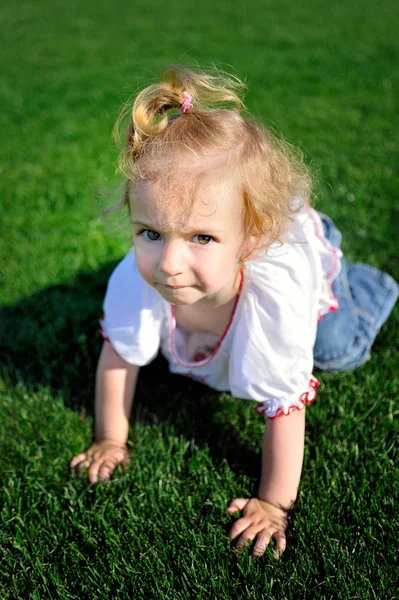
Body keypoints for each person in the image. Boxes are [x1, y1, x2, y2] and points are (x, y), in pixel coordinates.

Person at [70, 65, 398, 561]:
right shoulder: (137, 280)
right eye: (150, 233)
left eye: (201, 237)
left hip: (302, 255)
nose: (169, 265)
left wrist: (272, 503)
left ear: (249, 239)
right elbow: (118, 357)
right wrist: (111, 439)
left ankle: (364, 283)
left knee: (335, 348)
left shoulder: (274, 305)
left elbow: (284, 407)